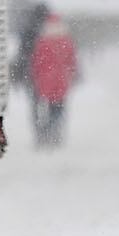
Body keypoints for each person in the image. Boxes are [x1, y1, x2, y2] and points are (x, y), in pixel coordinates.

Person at [28, 9, 80, 148]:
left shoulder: (43, 41)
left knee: (46, 109)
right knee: (58, 109)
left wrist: (36, 77)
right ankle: (55, 134)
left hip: (46, 81)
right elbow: (72, 61)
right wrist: (71, 74)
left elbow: (36, 62)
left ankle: (46, 135)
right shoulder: (66, 41)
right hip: (61, 81)